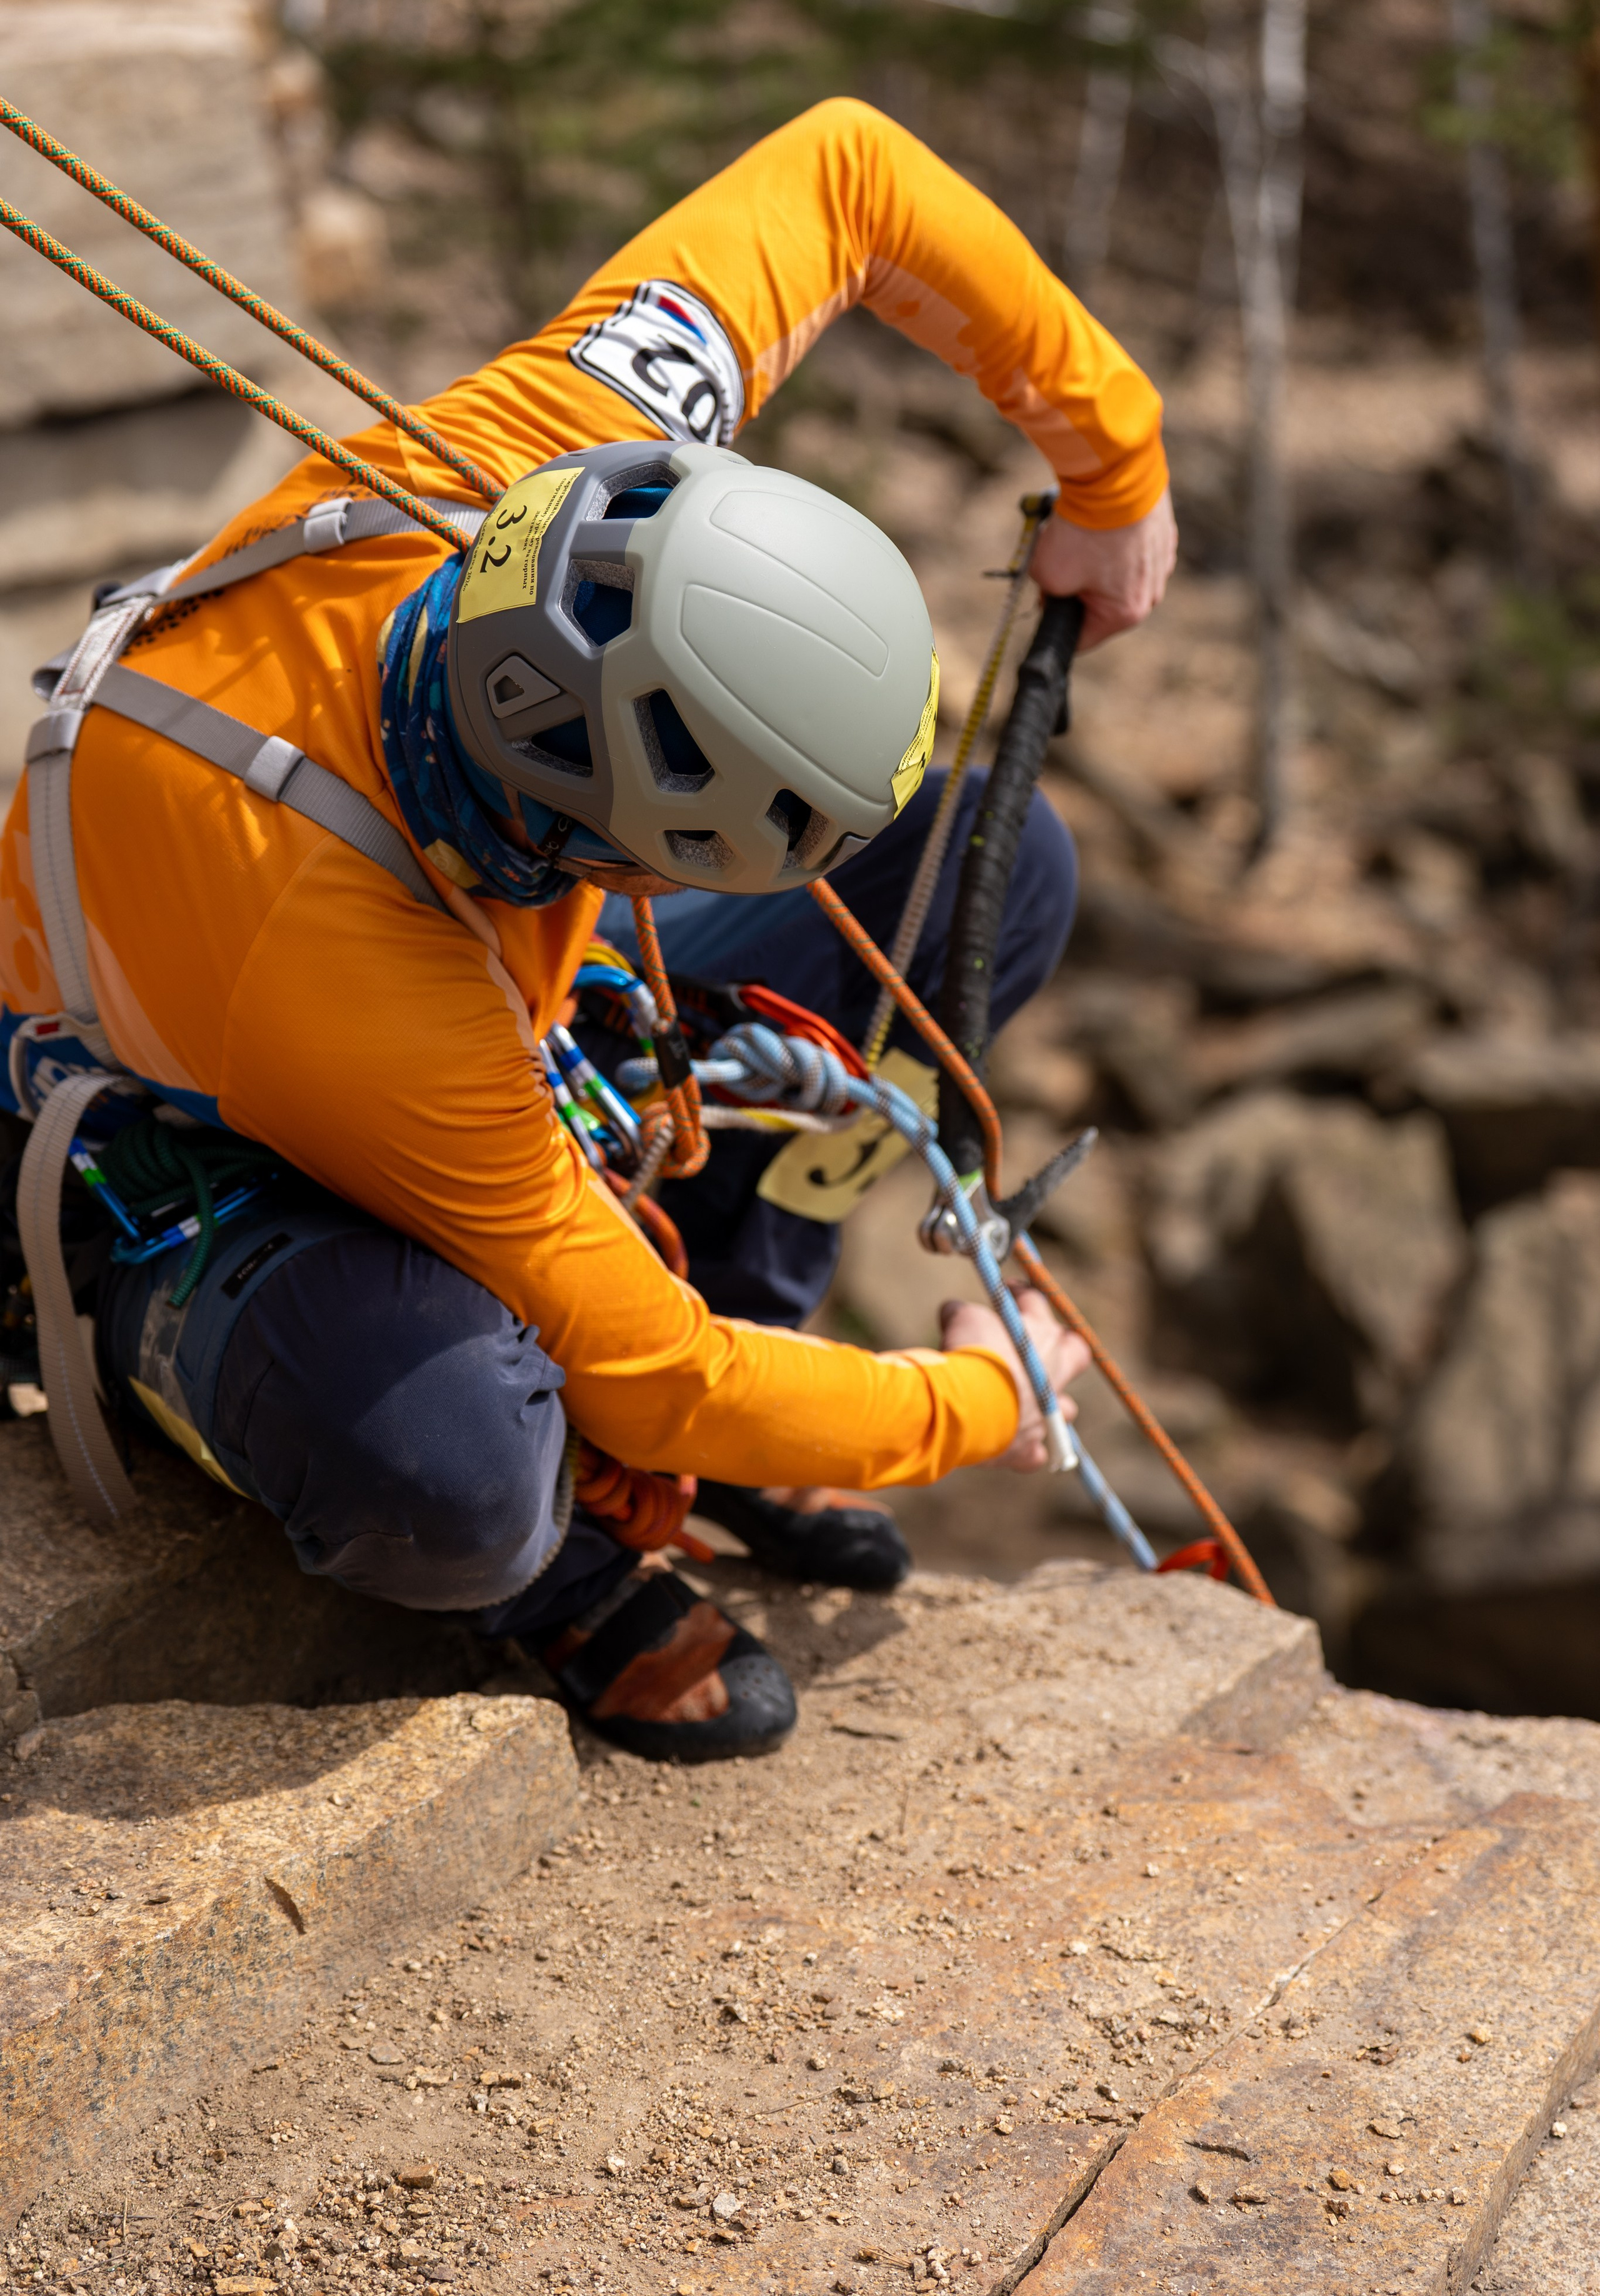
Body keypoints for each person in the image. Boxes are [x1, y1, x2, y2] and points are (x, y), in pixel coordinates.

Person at [0, 98, 1175, 1763]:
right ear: (605, 844)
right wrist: (989, 1399)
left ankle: (790, 1341)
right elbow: (656, 1386)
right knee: (440, 1453)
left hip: (429, 927)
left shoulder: (558, 429)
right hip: (177, 1098)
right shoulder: (357, 991)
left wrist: (1109, 461)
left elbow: (851, 171)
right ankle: (535, 1567)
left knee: (994, 858)